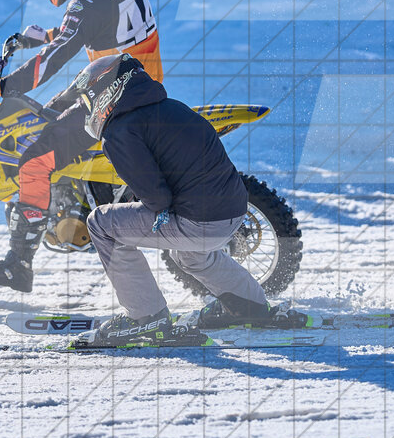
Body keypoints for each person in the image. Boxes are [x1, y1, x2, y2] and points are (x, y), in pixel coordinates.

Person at [0, 0, 163, 294]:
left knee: (33, 161)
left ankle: (19, 265)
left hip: (116, 100)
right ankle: (74, 198)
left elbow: (51, 62)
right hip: (134, 84)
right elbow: (97, 27)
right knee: (46, 115)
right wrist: (53, 34)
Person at [74, 55, 270, 346]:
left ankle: (146, 318)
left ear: (108, 93)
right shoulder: (172, 107)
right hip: (232, 212)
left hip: (200, 221)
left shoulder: (120, 130)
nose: (88, 111)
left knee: (101, 223)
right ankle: (250, 305)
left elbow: (156, 197)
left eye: (89, 103)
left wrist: (136, 205)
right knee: (190, 253)